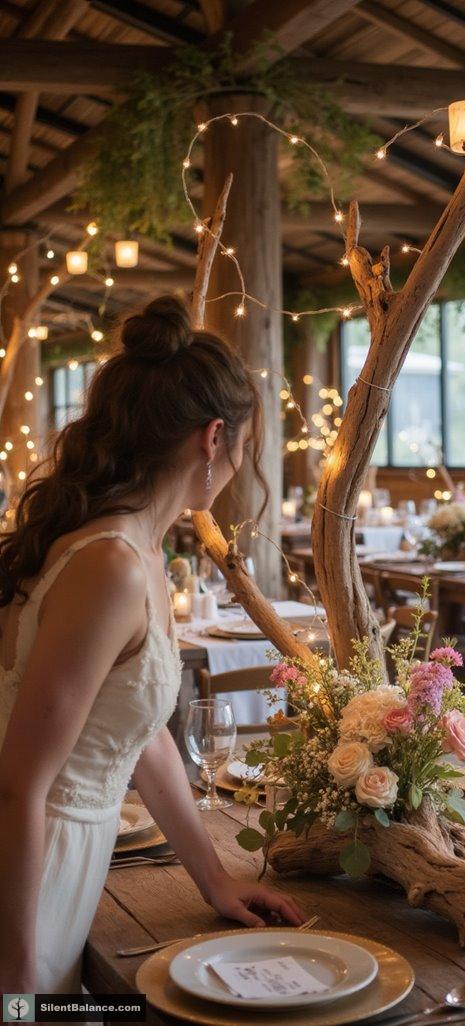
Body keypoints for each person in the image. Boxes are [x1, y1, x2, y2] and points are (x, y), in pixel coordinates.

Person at [0, 295, 305, 993]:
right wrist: (15, 983)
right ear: (212, 437)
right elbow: (19, 784)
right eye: (244, 447)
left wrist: (216, 878)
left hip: (65, 864)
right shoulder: (107, 566)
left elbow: (137, 731)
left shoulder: (137, 549)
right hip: (31, 871)